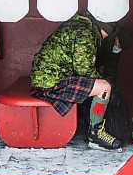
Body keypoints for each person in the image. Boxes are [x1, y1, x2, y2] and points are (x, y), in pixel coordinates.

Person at [30, 12, 123, 150]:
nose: (106, 37)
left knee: (101, 85)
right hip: (51, 83)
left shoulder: (80, 25)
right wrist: (109, 86)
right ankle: (95, 135)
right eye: (108, 34)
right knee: (104, 88)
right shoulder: (85, 34)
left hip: (47, 79)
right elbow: (84, 70)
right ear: (104, 28)